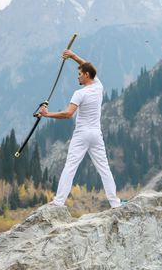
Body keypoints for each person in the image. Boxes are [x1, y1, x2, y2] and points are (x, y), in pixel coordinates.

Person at [38, 49, 121, 208]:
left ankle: (59, 201)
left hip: (82, 134)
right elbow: (87, 66)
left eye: (80, 74)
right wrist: (73, 56)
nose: (78, 76)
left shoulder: (79, 93)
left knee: (70, 167)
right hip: (96, 134)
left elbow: (68, 114)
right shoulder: (98, 86)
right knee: (104, 169)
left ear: (87, 75)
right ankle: (115, 203)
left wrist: (46, 114)